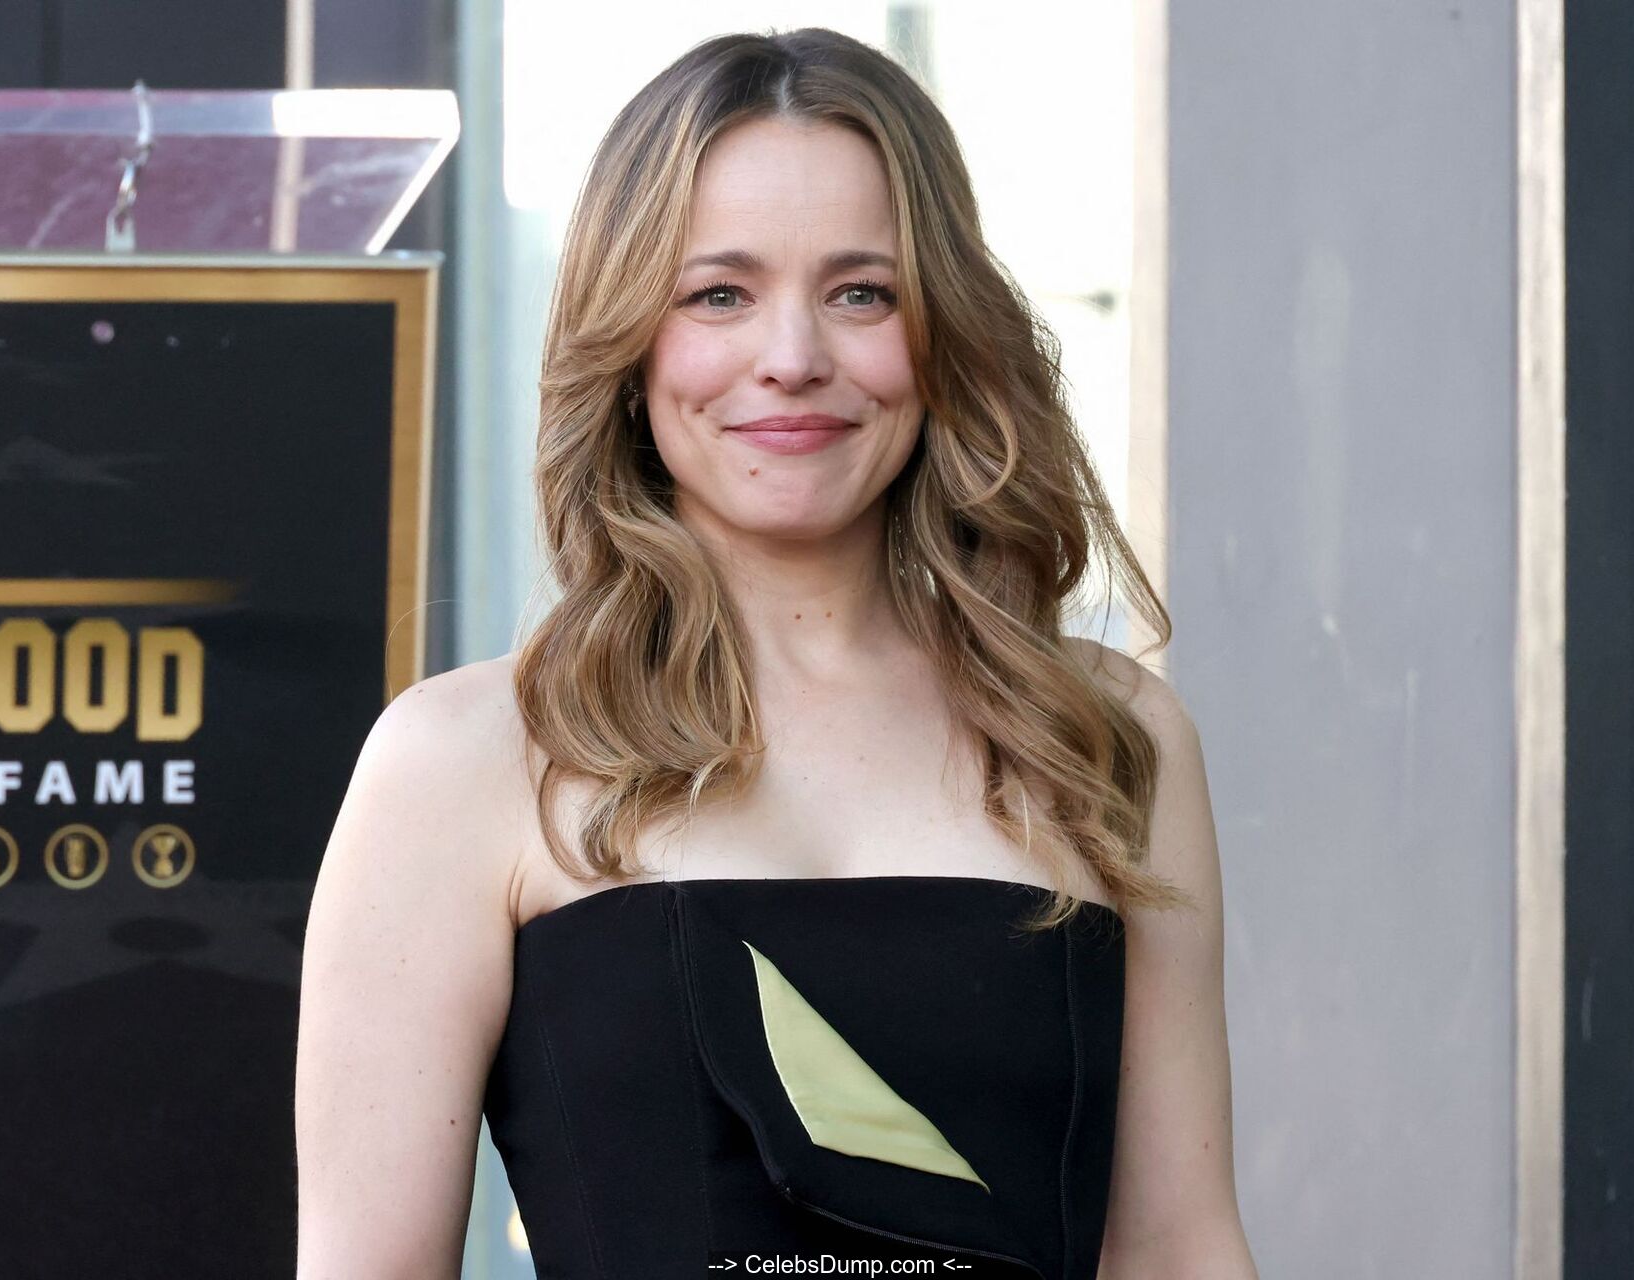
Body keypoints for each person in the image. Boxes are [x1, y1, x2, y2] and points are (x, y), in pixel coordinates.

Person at [294, 25, 1256, 1280]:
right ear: (630, 344)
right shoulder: (460, 760)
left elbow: (1178, 1247)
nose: (793, 358)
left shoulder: (1105, 736)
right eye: (720, 295)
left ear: (944, 330)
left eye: (863, 292)